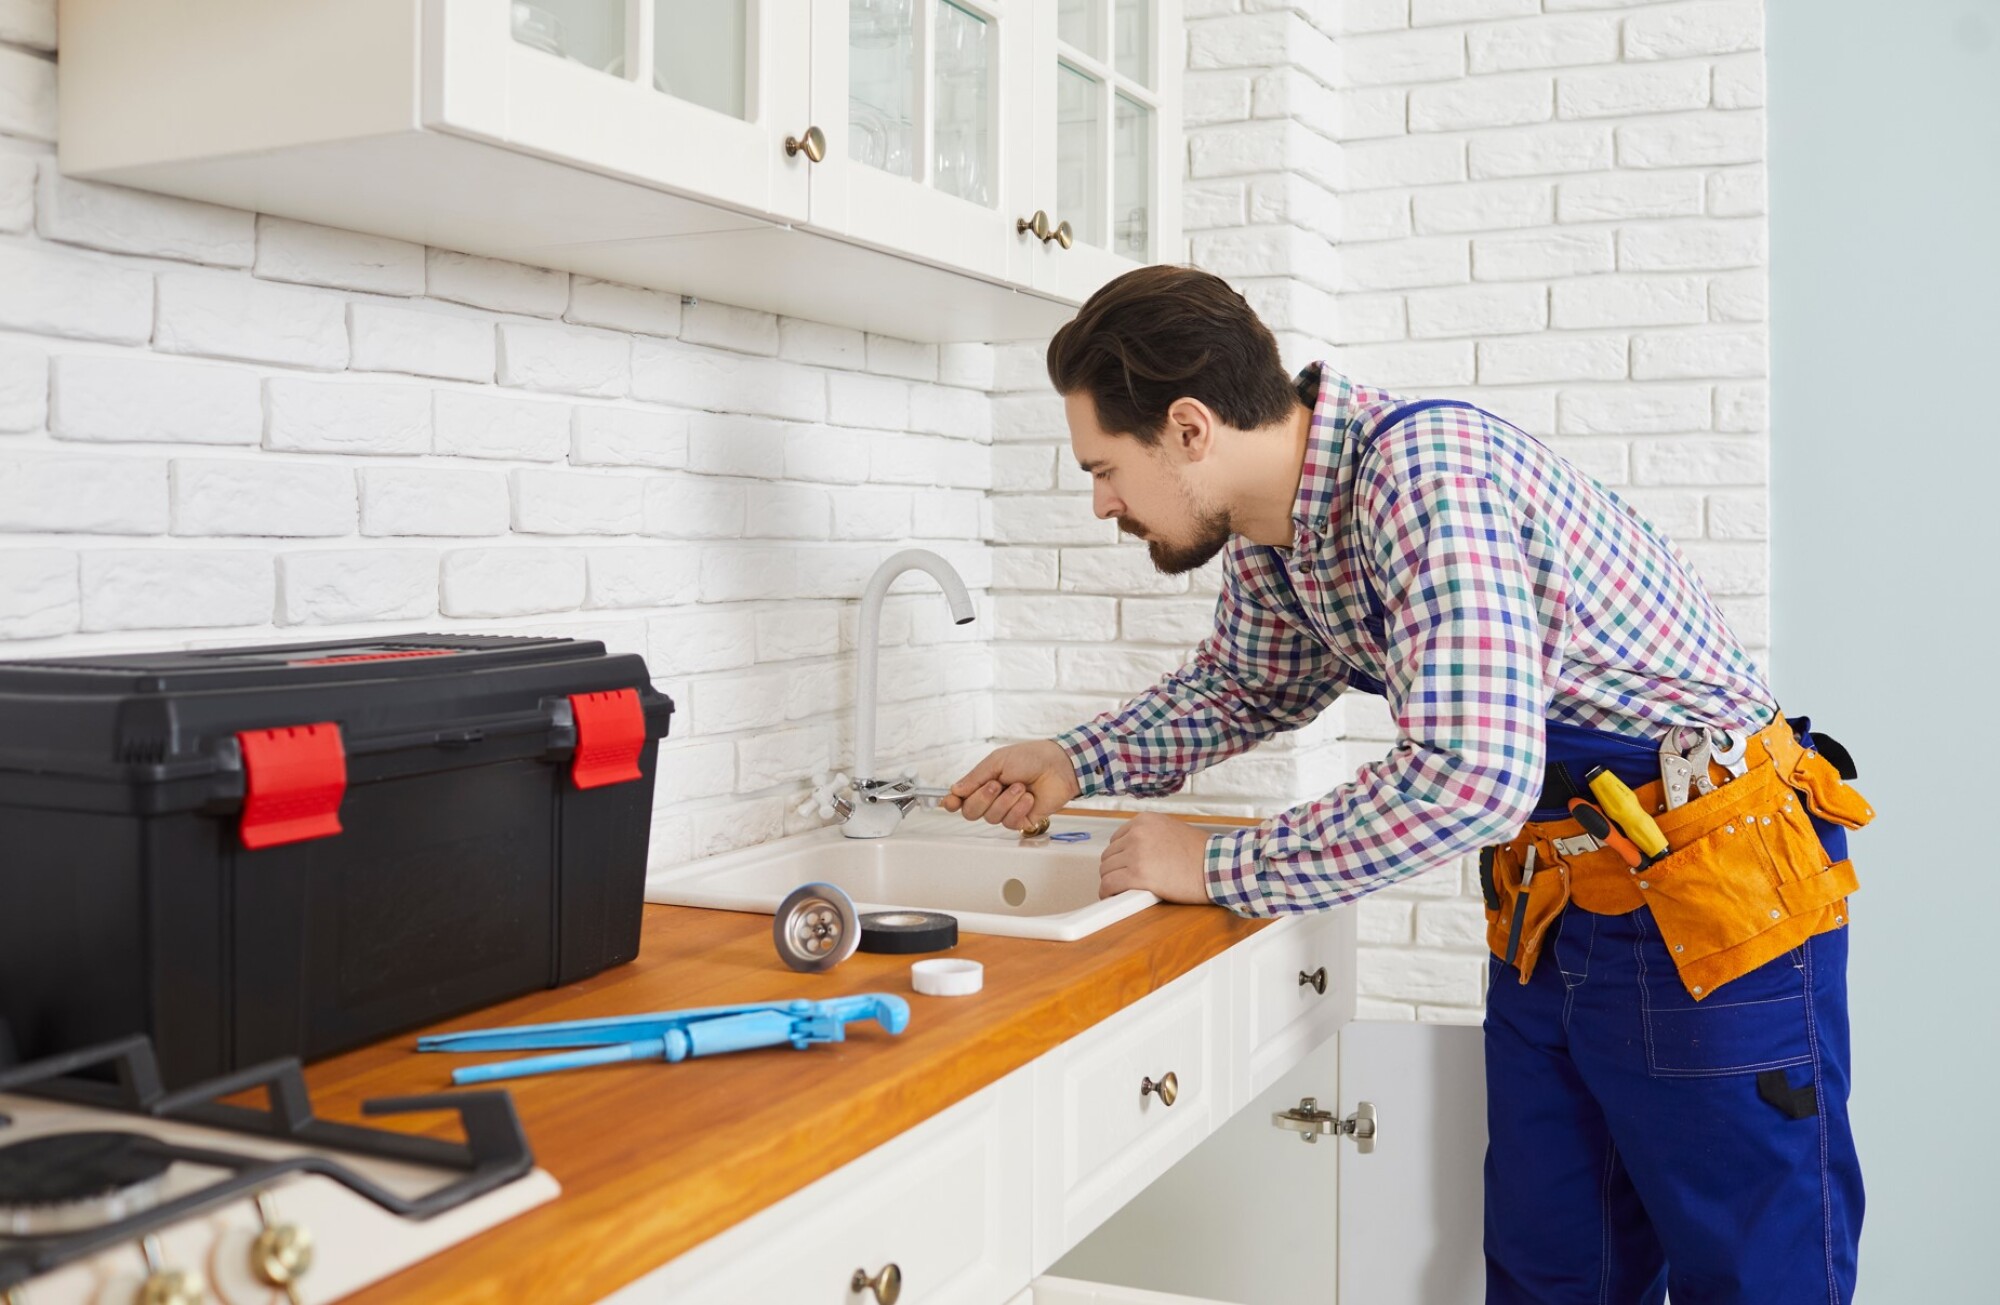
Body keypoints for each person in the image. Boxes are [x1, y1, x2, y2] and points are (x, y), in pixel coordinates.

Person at [941, 264, 1870, 1304]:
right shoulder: (1274, 535)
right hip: (1556, 901)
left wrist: (1220, 864)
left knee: (1751, 1272)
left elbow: (1470, 775)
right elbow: (1242, 688)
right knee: (1552, 1267)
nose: (1101, 500)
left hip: (1709, 895)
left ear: (1189, 427)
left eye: (1104, 465)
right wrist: (1073, 763)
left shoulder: (1424, 474)